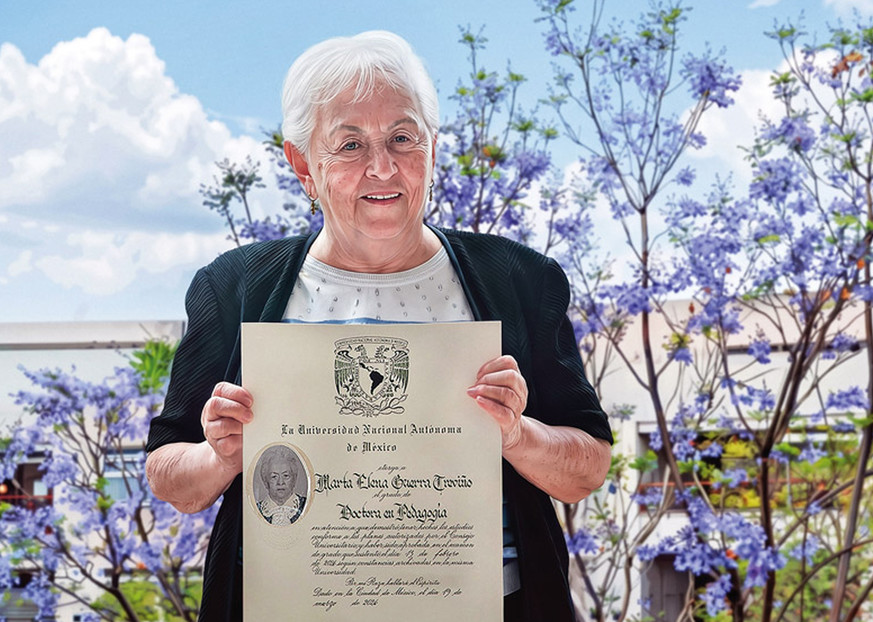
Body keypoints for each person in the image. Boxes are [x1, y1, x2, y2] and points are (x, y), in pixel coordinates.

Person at [145, 30, 612, 622]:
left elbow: (588, 467)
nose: (382, 166)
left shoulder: (520, 279)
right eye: (349, 145)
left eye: (402, 137)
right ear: (302, 165)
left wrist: (518, 436)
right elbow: (169, 477)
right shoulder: (234, 287)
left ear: (433, 149)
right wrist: (220, 456)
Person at [254, 445, 306, 525]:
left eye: (286, 476)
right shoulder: (256, 509)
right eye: (274, 477)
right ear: (265, 480)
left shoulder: (305, 505)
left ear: (294, 478)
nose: (280, 482)